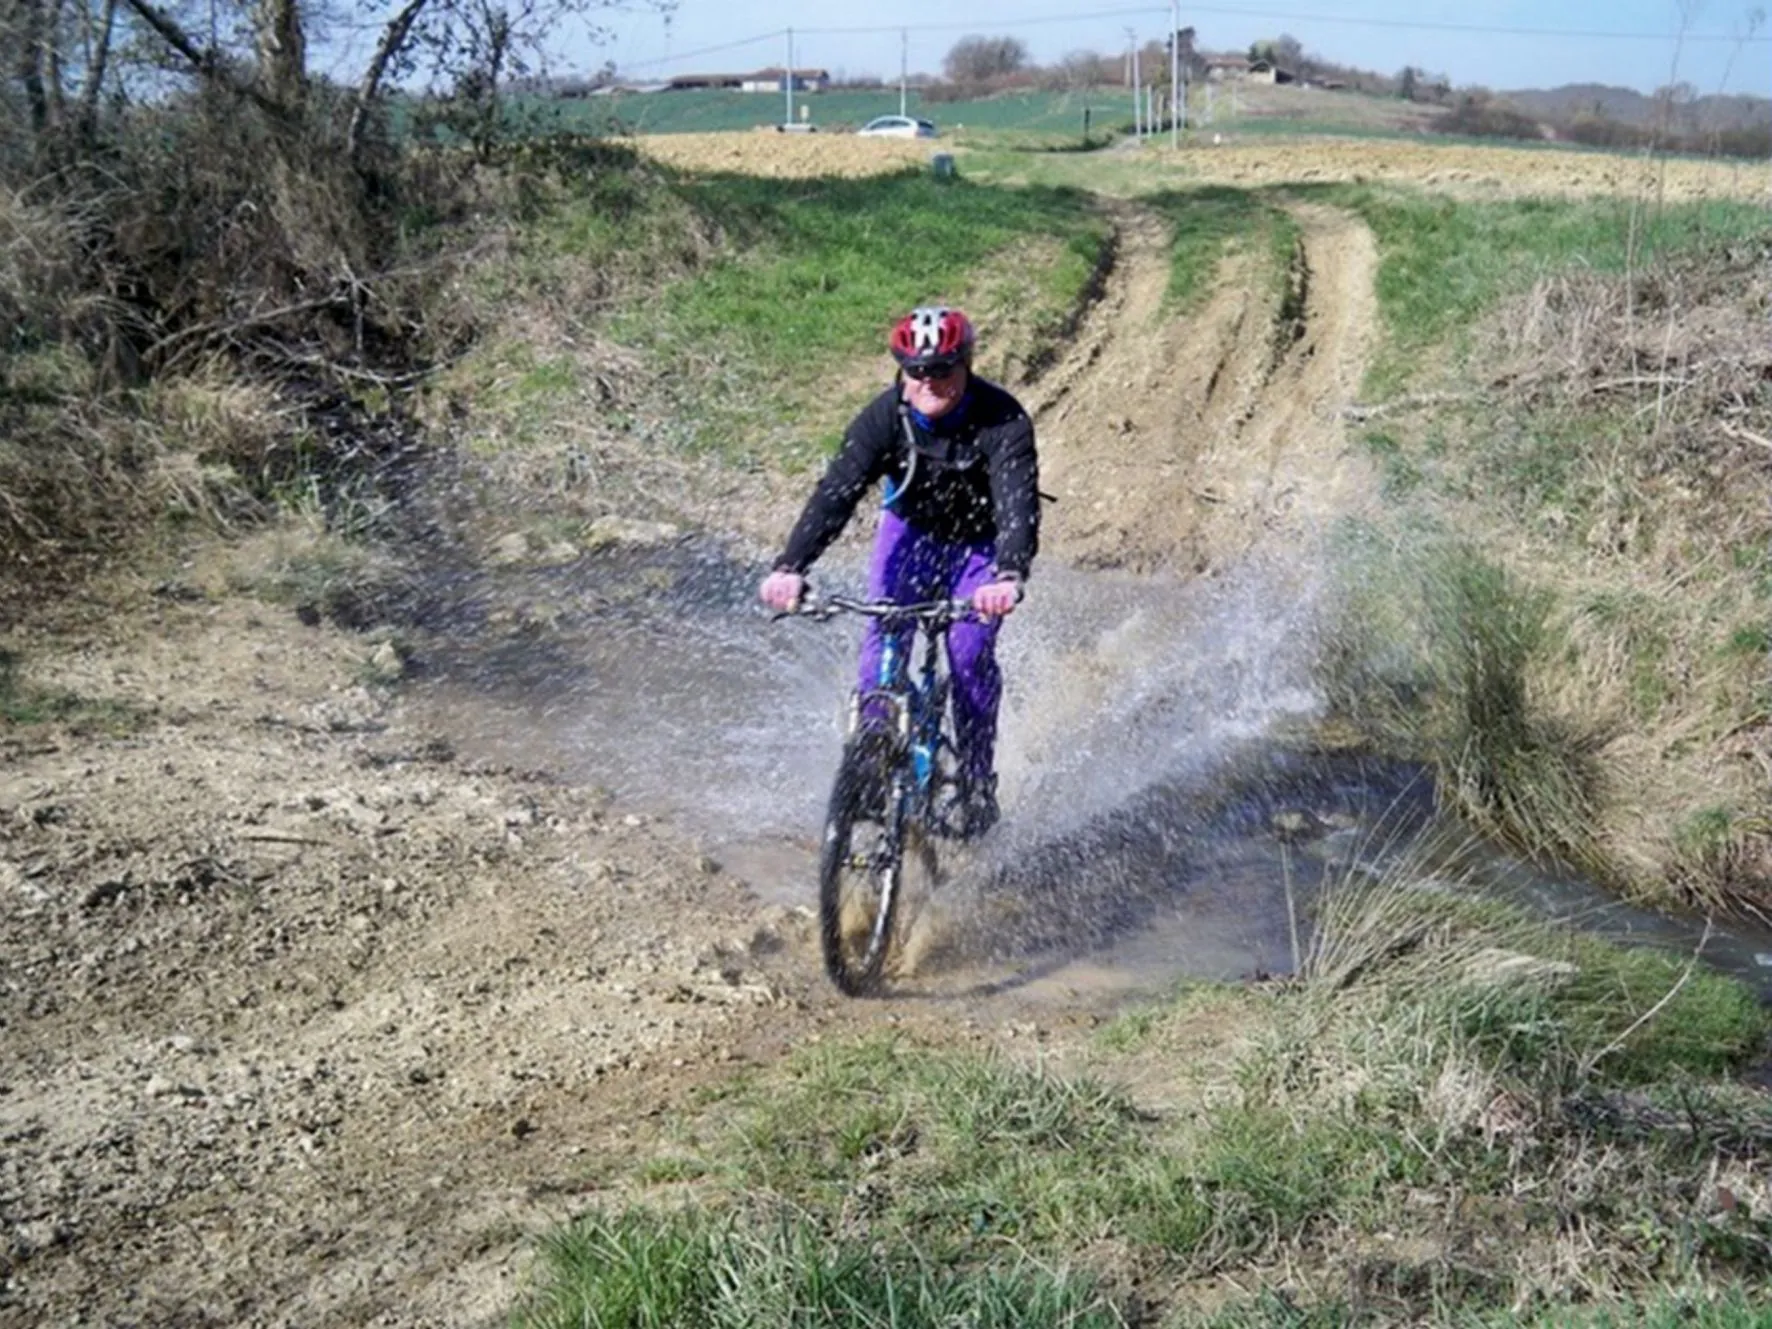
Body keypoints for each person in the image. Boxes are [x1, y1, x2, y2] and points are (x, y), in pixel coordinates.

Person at [759, 305, 1040, 838]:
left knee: (968, 651)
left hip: (978, 549)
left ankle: (978, 782)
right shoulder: (882, 418)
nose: (930, 381)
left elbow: (1016, 503)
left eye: (943, 369)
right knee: (886, 629)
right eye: (917, 371)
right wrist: (790, 565)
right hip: (908, 536)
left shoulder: (1003, 420)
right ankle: (873, 751)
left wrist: (1008, 575)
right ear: (902, 372)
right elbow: (835, 494)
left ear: (967, 364)